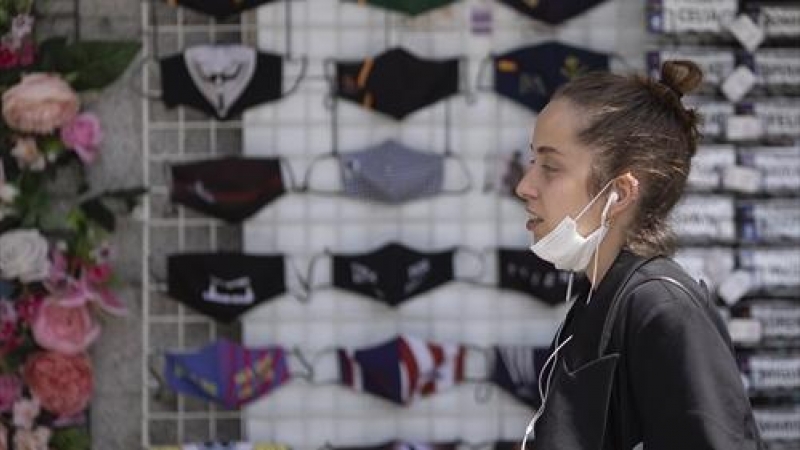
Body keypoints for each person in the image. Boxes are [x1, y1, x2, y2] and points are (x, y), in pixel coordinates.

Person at [515, 60, 763, 449]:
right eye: (533, 161)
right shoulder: (599, 300)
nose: (525, 186)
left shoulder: (661, 310)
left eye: (550, 166)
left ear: (621, 193)